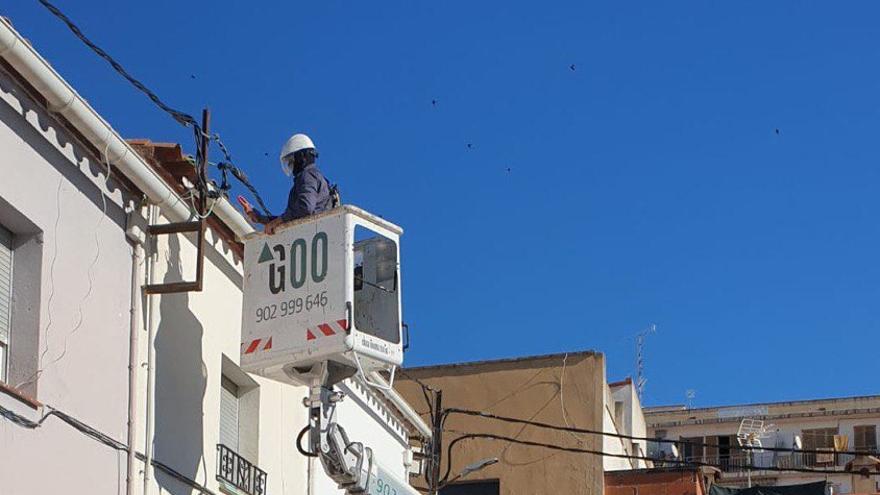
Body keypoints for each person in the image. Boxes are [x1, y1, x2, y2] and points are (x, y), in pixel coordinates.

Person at [240, 133, 334, 234]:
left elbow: (305, 208)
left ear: (301, 157)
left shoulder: (308, 175)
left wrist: (276, 222)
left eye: (291, 161)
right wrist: (260, 218)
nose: (291, 165)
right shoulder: (311, 176)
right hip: (311, 235)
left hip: (313, 235)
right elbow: (293, 217)